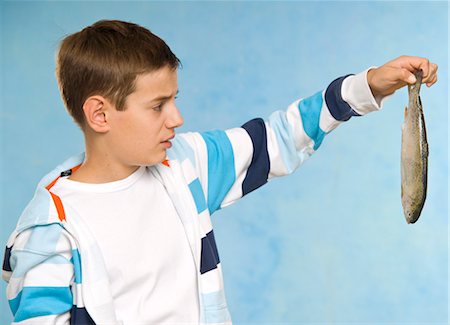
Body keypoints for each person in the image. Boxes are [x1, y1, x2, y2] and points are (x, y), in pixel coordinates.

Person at [2, 19, 438, 325]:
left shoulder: (185, 166)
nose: (177, 117)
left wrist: (368, 85)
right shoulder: (49, 233)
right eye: (158, 105)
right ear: (100, 114)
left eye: (174, 98)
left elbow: (278, 137)